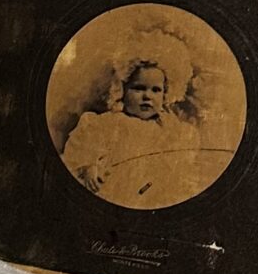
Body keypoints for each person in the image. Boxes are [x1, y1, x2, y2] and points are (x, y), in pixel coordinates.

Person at [58, 32, 231, 208]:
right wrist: (89, 167)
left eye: (156, 90)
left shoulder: (172, 128)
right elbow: (85, 147)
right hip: (116, 190)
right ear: (122, 89)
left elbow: (180, 161)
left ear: (166, 93)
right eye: (139, 88)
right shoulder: (108, 123)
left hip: (156, 194)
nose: (147, 96)